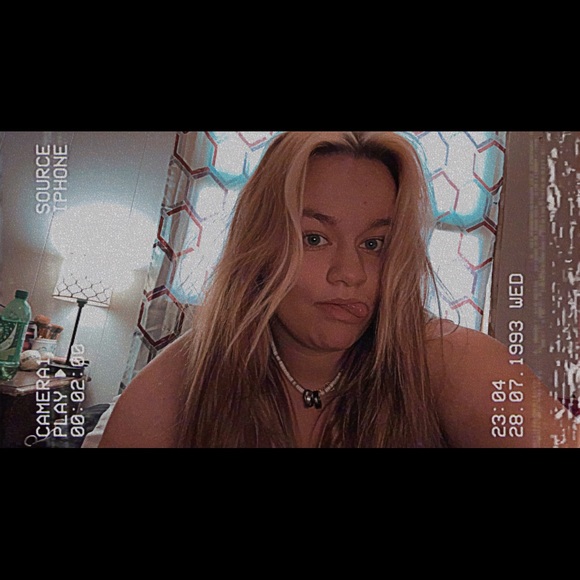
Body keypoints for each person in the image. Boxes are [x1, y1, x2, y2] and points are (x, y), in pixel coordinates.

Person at [98, 131, 579, 448]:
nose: (350, 273)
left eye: (374, 244)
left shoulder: (445, 358)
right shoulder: (180, 385)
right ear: (259, 245)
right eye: (314, 238)